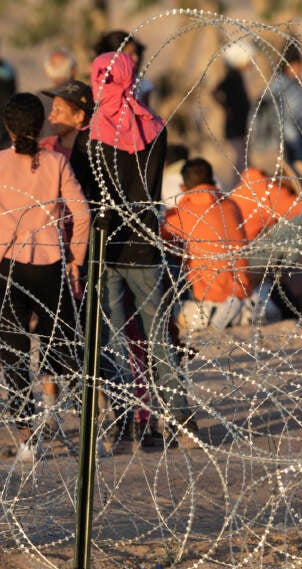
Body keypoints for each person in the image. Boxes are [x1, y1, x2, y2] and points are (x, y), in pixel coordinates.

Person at [0, 93, 90, 460]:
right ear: (40, 125)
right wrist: (75, 258)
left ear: (9, 127)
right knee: (57, 341)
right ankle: (60, 412)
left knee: (13, 351)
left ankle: (28, 436)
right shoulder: (57, 162)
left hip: (7, 265)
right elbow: (83, 213)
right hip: (50, 264)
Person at [87, 51, 200, 449]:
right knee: (158, 339)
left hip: (108, 247)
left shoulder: (95, 133)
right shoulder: (155, 128)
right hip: (145, 245)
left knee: (115, 339)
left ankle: (122, 425)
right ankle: (181, 420)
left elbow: (94, 194)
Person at [162, 158, 252, 333]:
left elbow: (161, 240)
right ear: (212, 179)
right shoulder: (231, 204)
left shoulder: (181, 212)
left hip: (208, 299)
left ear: (183, 187)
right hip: (243, 291)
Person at [264, 41, 302, 177]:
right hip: (290, 136)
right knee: (297, 171)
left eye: (299, 66)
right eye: (295, 66)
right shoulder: (280, 83)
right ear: (287, 65)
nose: (298, 69)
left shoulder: (297, 84)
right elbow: (267, 102)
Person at [212, 39, 253, 187]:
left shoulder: (238, 76)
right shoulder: (232, 77)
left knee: (244, 158)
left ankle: (245, 186)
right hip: (234, 126)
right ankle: (238, 188)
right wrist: (227, 107)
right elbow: (216, 91)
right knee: (241, 159)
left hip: (240, 125)